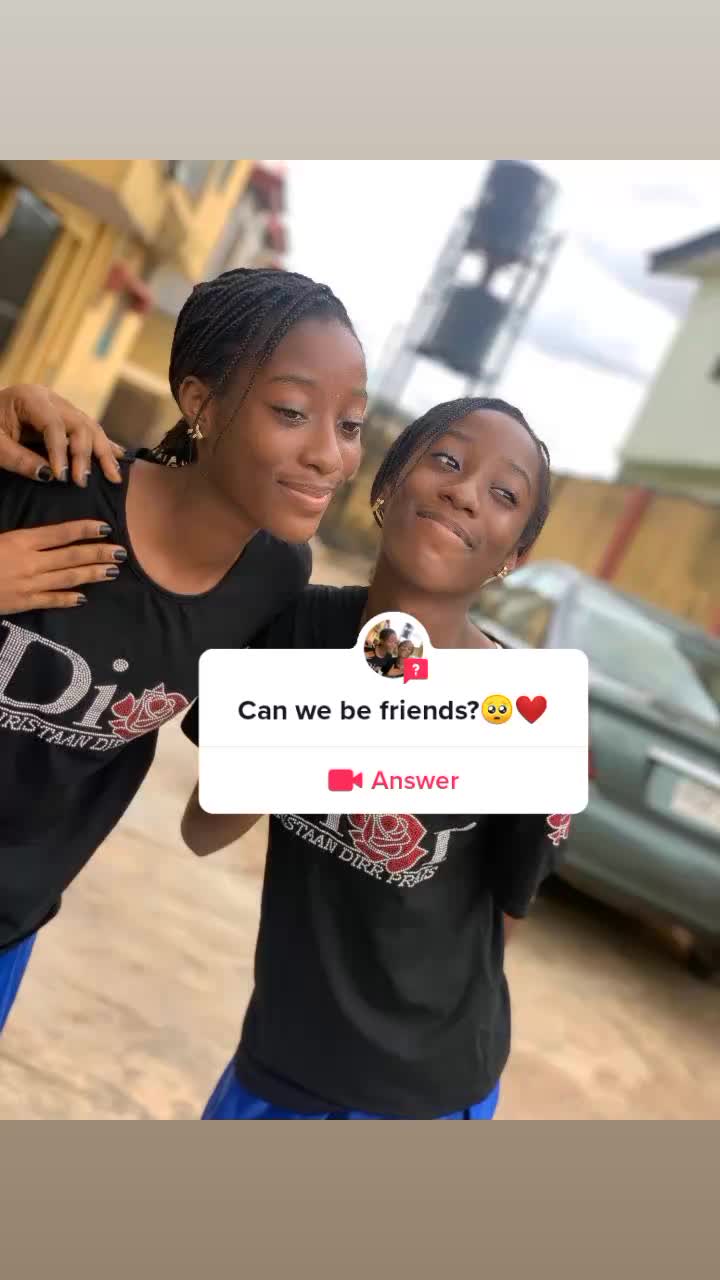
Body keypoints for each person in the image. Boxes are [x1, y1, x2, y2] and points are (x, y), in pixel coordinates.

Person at [181, 396, 570, 1121]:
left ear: (513, 557)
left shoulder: (525, 711)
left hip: (428, 1091)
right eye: (447, 460)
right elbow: (200, 830)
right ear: (388, 482)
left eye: (504, 495)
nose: (464, 492)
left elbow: (504, 918)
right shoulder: (296, 626)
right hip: (280, 1058)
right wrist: (327, 727)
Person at [0, 267, 367, 1033]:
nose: (329, 454)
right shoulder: (48, 482)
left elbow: (212, 820)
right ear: (201, 404)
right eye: (293, 412)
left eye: (351, 424)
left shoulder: (274, 577)